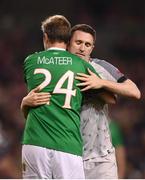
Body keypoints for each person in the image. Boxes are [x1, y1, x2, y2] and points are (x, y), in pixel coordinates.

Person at [21, 24, 141, 179]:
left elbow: (134, 92)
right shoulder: (53, 68)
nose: (82, 48)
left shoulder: (99, 66)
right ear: (68, 42)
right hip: (66, 152)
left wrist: (101, 83)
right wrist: (24, 102)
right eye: (78, 43)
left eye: (87, 44)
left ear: (92, 48)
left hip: (100, 158)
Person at [21, 16, 102, 179]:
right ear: (68, 39)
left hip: (34, 142)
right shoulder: (81, 65)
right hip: (67, 145)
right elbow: (108, 95)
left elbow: (32, 103)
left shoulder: (30, 61)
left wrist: (23, 103)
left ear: (45, 37)